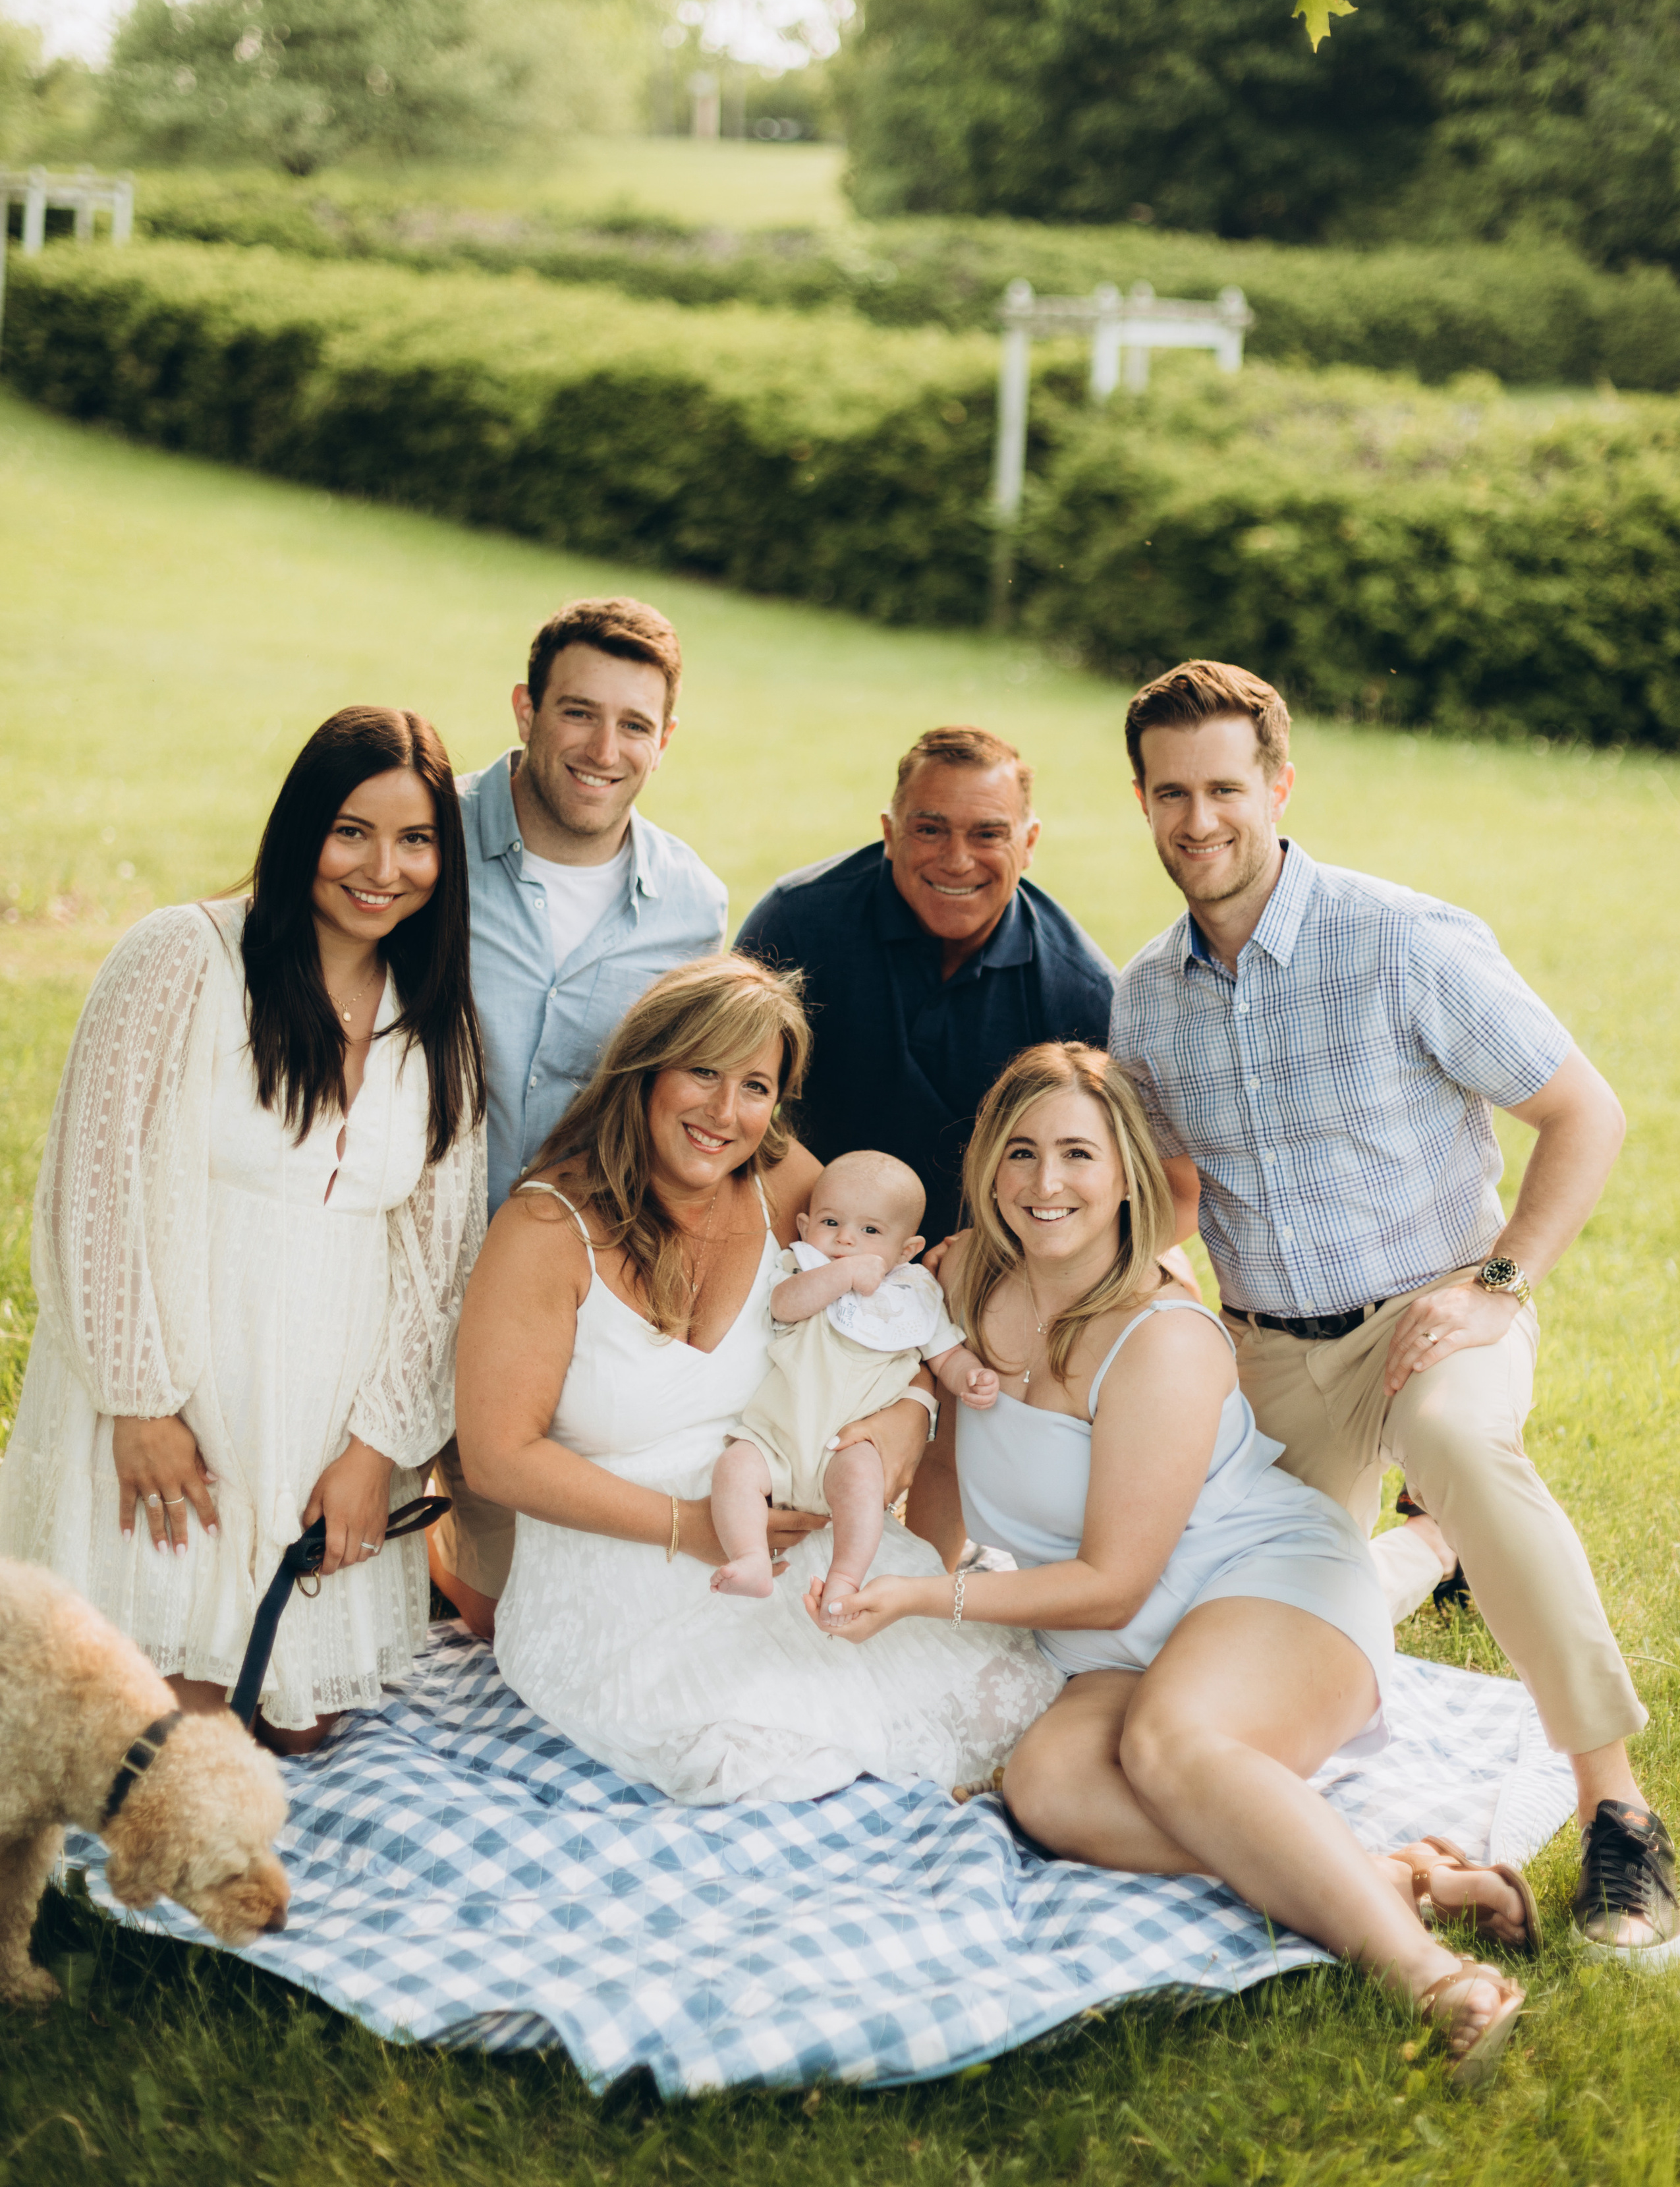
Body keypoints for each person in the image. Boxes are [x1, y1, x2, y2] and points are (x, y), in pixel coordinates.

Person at [814, 1045, 1534, 2091]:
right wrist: (917, 1577)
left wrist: (928, 1597)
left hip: (1259, 1585)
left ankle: (1434, 1978)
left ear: (1127, 1176)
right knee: (1049, 1788)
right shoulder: (962, 1278)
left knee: (1171, 1744)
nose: (1047, 1182)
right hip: (1109, 1643)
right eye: (1022, 1152)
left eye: (1078, 1154)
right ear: (988, 1164)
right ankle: (1390, 1875)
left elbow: (1113, 1579)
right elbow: (945, 1466)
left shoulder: (1163, 1335)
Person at [1109, 658, 1679, 1968]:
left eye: (1223, 789)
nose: (1198, 820)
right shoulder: (1144, 996)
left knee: (1458, 1438)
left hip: (1434, 1315)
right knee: (1249, 1614)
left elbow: (1583, 1112)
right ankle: (1429, 1551)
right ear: (1140, 802)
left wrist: (1497, 1284)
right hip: (1267, 1349)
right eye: (1169, 794)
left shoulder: (1400, 940)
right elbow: (1176, 1192)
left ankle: (1618, 1811)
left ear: (1279, 787)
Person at [452, 953, 1061, 1805]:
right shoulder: (545, 1227)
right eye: (702, 1072)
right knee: (753, 1757)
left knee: (1003, 1699)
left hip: (797, 1537)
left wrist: (911, 1414)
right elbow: (497, 1458)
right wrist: (688, 1525)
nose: (724, 1112)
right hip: (623, 1566)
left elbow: (896, 1307)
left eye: (755, 1087)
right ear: (644, 1070)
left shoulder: (782, 1183)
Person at [0, 708, 486, 1750]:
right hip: (179, 1403)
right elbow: (95, 1187)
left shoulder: (435, 1018)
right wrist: (140, 1401)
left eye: (416, 840)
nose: (383, 870)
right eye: (351, 832)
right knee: (169, 1736)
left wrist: (376, 1450)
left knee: (300, 1733)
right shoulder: (186, 957)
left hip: (322, 1430)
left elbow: (439, 1262)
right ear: (301, 827)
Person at [430, 596, 727, 1629]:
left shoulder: (692, 905)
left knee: (504, 1617)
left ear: (665, 739)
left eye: (635, 724)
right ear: (525, 709)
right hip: (396, 1257)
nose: (605, 750)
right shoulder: (427, 841)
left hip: (553, 1300)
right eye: (578, 713)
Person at [735, 725, 1116, 1248]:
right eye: (930, 830)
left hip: (987, 1259)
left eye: (988, 834)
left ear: (1028, 843)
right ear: (890, 833)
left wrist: (988, 1256)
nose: (957, 861)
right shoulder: (797, 923)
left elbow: (1115, 1184)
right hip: (804, 1235)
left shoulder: (1082, 991)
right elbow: (722, 1102)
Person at [711, 1149, 999, 1611]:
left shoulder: (912, 1295)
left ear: (906, 1251)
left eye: (870, 1231)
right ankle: (751, 1559)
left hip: (850, 1447)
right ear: (805, 1226)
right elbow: (783, 1306)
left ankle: (845, 1577)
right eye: (831, 1223)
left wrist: (971, 1377)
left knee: (863, 1487)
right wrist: (841, 1274)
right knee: (734, 1469)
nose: (845, 1239)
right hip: (776, 1440)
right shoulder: (803, 1267)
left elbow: (945, 1354)